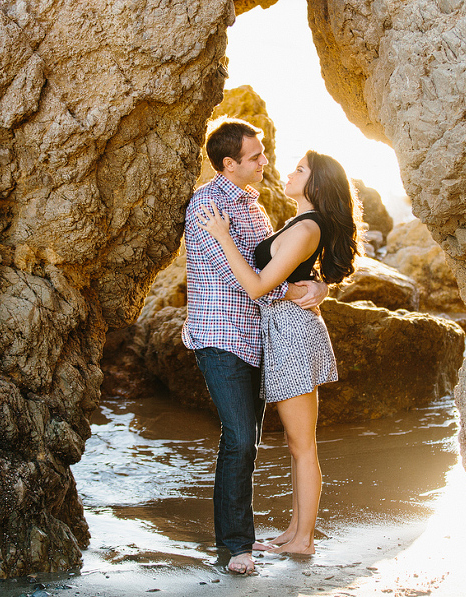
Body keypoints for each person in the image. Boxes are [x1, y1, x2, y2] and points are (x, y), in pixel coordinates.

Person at [196, 149, 360, 557]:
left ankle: (303, 540)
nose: (289, 172)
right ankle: (294, 530)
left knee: (303, 444)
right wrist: (316, 285)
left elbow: (256, 286)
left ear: (316, 184)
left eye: (300, 170)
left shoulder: (306, 229)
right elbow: (295, 277)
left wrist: (222, 237)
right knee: (296, 443)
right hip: (283, 331)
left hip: (291, 335)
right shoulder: (298, 223)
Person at [183, 119, 328, 575]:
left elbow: (274, 265)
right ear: (230, 163)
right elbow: (245, 280)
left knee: (247, 442)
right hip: (220, 335)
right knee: (241, 438)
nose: (266, 161)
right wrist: (293, 292)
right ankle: (235, 547)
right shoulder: (207, 205)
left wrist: (315, 285)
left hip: (260, 338)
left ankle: (246, 538)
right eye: (256, 156)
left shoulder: (254, 205)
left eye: (264, 153)